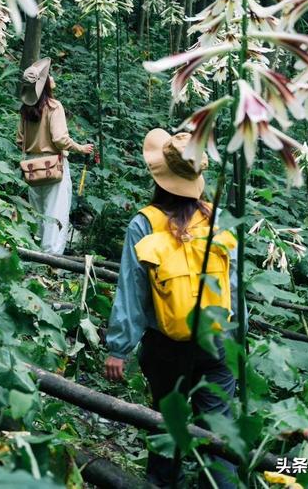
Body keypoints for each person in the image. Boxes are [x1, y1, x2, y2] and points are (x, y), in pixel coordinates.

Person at [104, 128, 238, 489]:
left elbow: (132, 292)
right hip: (217, 341)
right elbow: (232, 285)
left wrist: (118, 348)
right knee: (219, 434)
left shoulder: (143, 223)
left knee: (168, 427)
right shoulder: (214, 218)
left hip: (166, 345)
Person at [17, 58, 93, 255]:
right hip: (53, 165)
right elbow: (60, 139)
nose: (51, 77)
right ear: (44, 85)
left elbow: (20, 140)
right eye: (48, 76)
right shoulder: (53, 106)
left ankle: (35, 257)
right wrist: (80, 148)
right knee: (56, 212)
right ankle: (52, 263)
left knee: (38, 212)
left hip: (32, 166)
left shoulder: (25, 110)